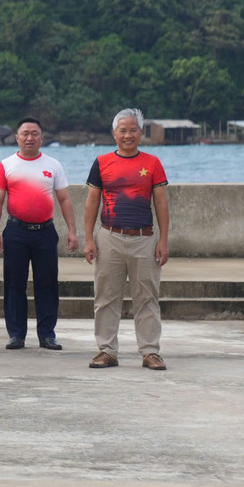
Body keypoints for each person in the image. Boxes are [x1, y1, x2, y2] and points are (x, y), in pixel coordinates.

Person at [83, 107, 171, 371]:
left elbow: (161, 205)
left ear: (141, 133)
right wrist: (88, 238)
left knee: (147, 297)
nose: (128, 135)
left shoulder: (153, 164)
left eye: (133, 130)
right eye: (123, 130)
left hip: (144, 238)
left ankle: (150, 352)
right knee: (106, 297)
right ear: (114, 134)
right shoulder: (101, 163)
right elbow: (91, 202)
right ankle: (107, 350)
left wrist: (163, 240)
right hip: (109, 236)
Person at [0, 117, 79, 351]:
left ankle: (47, 334)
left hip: (45, 232)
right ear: (17, 137)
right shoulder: (6, 164)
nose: (30, 138)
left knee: (47, 284)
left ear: (42, 137)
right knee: (14, 284)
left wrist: (72, 231)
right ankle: (16, 334)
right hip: (16, 232)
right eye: (25, 133)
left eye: (35, 133)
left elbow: (64, 199)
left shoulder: (53, 165)